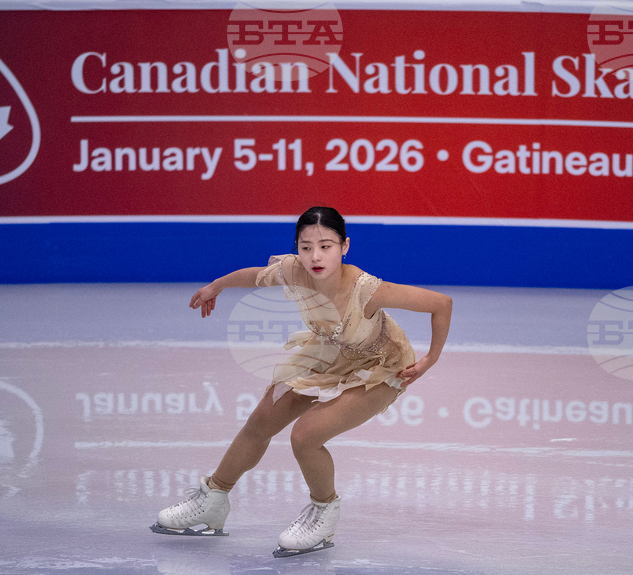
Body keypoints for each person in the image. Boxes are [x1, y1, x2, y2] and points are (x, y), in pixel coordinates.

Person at [151, 206, 453, 556]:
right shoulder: (295, 270)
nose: (315, 255)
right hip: (330, 352)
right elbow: (256, 275)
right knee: (262, 419)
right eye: (306, 246)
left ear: (345, 247)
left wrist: (430, 360)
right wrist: (215, 286)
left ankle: (324, 512)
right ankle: (214, 499)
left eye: (326, 245)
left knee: (306, 436)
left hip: (380, 368)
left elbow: (441, 304)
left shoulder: (367, 290)